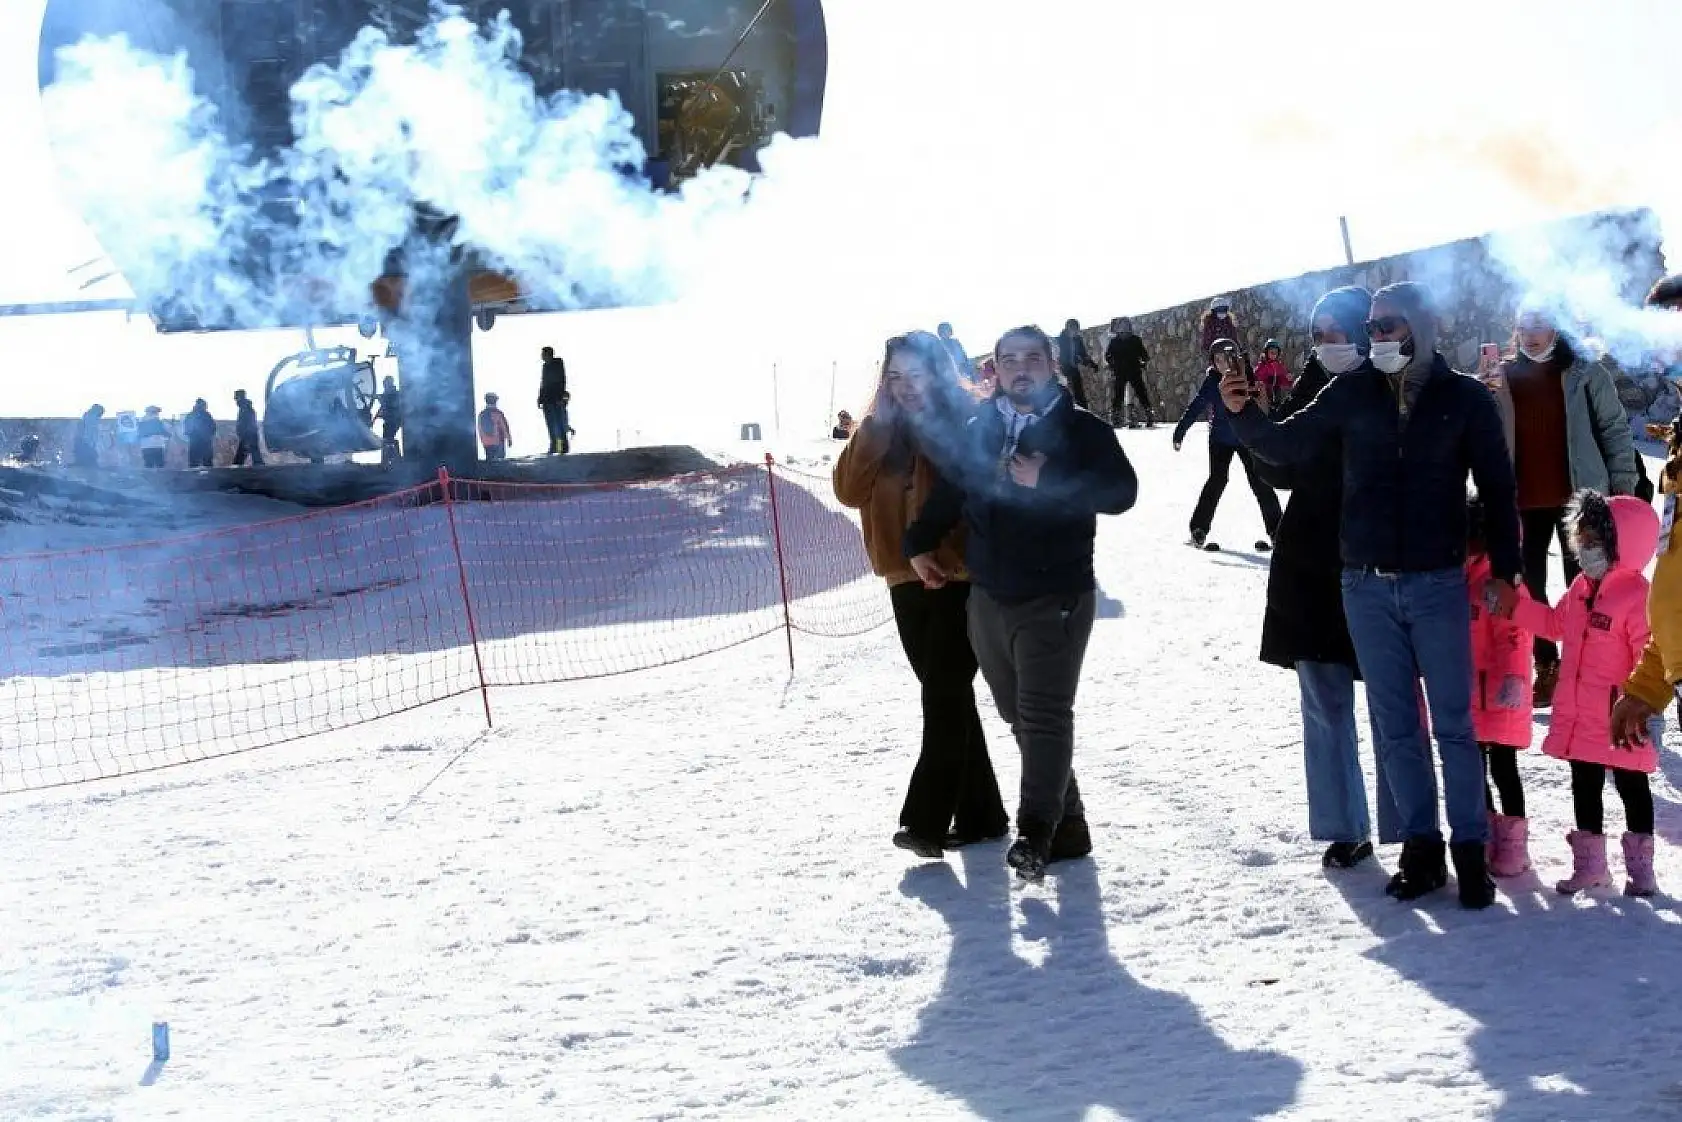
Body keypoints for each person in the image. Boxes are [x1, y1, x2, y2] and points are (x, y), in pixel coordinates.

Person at [1223, 281, 1523, 908]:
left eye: (1391, 325)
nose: (1380, 336)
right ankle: (1421, 850)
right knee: (1394, 729)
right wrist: (1244, 413)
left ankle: (1470, 851)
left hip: (1437, 583)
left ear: (1421, 324)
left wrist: (1505, 571)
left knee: (1454, 726)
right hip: (1363, 585)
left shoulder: (1464, 398)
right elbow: (1288, 444)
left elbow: (1498, 489)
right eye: (1376, 326)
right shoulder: (1351, 392)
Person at [904, 324, 1138, 881]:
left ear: (1052, 365)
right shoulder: (979, 428)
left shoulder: (1084, 431)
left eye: (1033, 358)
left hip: (1055, 593)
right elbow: (952, 493)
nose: (1022, 368)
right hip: (988, 596)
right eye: (1010, 360)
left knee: (1044, 716)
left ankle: (1035, 830)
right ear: (997, 369)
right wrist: (918, 545)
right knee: (1019, 717)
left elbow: (1121, 493)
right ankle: (1069, 824)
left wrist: (1049, 477)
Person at [833, 331, 1008, 859]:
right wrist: (873, 432)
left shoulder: (968, 421)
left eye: (917, 374)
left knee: (944, 694)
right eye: (896, 377)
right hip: (903, 579)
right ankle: (982, 816)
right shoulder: (878, 431)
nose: (907, 387)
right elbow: (846, 492)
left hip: (964, 578)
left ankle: (926, 820)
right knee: (947, 695)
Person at [1251, 286, 1399, 869]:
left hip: (1382, 563)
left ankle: (1409, 826)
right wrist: (1256, 422)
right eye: (1317, 335)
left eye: (1335, 332)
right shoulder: (1310, 390)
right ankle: (1345, 826)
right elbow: (1279, 469)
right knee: (1324, 702)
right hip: (1310, 567)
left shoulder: (1399, 388)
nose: (1325, 345)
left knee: (1393, 705)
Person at [1500, 491, 1661, 896]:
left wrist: (1640, 700)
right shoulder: (1580, 588)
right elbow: (1554, 624)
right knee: (1584, 785)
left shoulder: (1637, 595)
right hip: (1582, 716)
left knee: (1632, 785)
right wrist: (1515, 604)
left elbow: (1649, 653)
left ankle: (1641, 871)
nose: (1585, 550)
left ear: (1618, 543)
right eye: (1582, 541)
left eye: (1594, 541)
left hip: (1620, 715)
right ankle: (1590, 866)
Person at [1484, 296, 1641, 708]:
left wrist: (1622, 487)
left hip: (1581, 500)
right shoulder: (1501, 376)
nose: (1530, 335)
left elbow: (1614, 428)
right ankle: (1548, 667)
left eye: (1539, 324)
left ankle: (1588, 666)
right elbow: (1483, 439)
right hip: (1523, 500)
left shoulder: (1586, 372)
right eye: (1523, 325)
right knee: (1529, 587)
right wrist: (1481, 396)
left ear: (1557, 327)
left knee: (1587, 586)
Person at [1463, 495, 1532, 878]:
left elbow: (1515, 637)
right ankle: (1487, 831)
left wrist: (1513, 680)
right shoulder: (1461, 578)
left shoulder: (1502, 581)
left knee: (1505, 767)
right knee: (1474, 767)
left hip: (1503, 693)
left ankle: (1514, 841)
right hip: (1470, 690)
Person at [1173, 339, 1282, 553]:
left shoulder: (1247, 376)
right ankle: (1199, 528)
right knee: (1217, 479)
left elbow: (1263, 406)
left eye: (1226, 358)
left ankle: (1277, 529)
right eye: (1217, 360)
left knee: (1260, 480)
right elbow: (1196, 407)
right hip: (1220, 440)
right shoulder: (1212, 382)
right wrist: (1180, 431)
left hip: (1245, 438)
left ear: (1236, 358)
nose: (1222, 364)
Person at [1104, 317, 1153, 428]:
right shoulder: (1115, 341)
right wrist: (1113, 365)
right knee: (1118, 395)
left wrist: (1143, 362)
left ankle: (1149, 414)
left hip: (1133, 370)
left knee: (1141, 393)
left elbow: (1144, 355)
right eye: (1122, 326)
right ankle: (1116, 418)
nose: (1124, 328)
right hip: (1121, 371)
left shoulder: (1135, 340)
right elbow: (1108, 356)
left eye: (1126, 325)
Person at [1055, 319, 1097, 410]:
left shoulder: (1078, 339)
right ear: (1067, 329)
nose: (1075, 332)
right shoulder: (1060, 340)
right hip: (1062, 370)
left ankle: (1084, 412)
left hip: (1073, 369)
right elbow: (1057, 355)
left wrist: (1092, 364)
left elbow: (1083, 354)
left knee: (1079, 393)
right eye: (1073, 329)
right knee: (1064, 393)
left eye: (1076, 329)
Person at [538, 345, 571, 454]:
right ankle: (554, 446)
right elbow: (543, 383)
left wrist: (561, 397)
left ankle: (561, 447)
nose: (542, 356)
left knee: (559, 425)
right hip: (547, 400)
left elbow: (561, 381)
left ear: (548, 354)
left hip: (556, 399)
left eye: (543, 354)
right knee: (551, 425)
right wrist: (540, 397)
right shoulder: (545, 367)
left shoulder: (557, 364)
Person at [1253, 339, 1293, 411]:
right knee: (1267, 403)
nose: (1273, 354)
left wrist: (1288, 380)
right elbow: (1257, 375)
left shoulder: (1279, 366)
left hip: (1276, 392)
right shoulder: (1263, 365)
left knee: (1277, 401)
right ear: (1266, 353)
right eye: (1271, 352)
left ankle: (1276, 410)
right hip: (1266, 391)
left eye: (1275, 352)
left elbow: (1283, 378)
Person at [232, 389, 264, 467]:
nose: (236, 401)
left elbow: (247, 423)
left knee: (241, 457)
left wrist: (244, 434)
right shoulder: (245, 408)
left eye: (237, 398)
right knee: (254, 455)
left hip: (248, 435)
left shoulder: (246, 409)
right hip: (249, 435)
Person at [478, 393, 512, 461]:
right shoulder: (498, 413)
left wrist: (483, 441)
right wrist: (509, 439)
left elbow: (480, 429)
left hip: (487, 443)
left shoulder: (481, 414)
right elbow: (504, 427)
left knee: (490, 463)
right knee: (500, 463)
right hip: (498, 442)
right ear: (495, 401)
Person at [376, 376, 402, 464]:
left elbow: (390, 404)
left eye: (385, 383)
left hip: (393, 421)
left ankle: (388, 460)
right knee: (387, 440)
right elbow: (383, 406)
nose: (384, 385)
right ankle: (388, 460)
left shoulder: (394, 394)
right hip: (389, 421)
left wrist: (381, 399)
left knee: (387, 440)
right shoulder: (387, 394)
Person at [184, 398, 216, 468]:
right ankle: (209, 478)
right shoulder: (206, 415)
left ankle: (193, 478)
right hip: (204, 442)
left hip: (196, 442)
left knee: (194, 463)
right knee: (207, 464)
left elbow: (187, 430)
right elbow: (213, 427)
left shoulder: (191, 415)